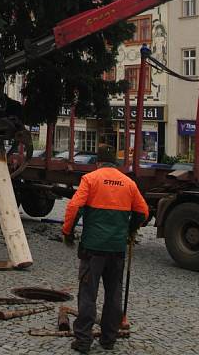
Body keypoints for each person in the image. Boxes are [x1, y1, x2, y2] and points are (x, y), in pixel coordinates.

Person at [62, 144, 149, 353]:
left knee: (88, 294)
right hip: (117, 249)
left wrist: (67, 232)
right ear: (115, 163)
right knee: (113, 295)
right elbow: (143, 212)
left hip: (93, 248)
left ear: (98, 162)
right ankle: (109, 339)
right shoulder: (128, 183)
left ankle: (83, 340)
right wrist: (130, 229)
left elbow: (74, 207)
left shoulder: (91, 179)